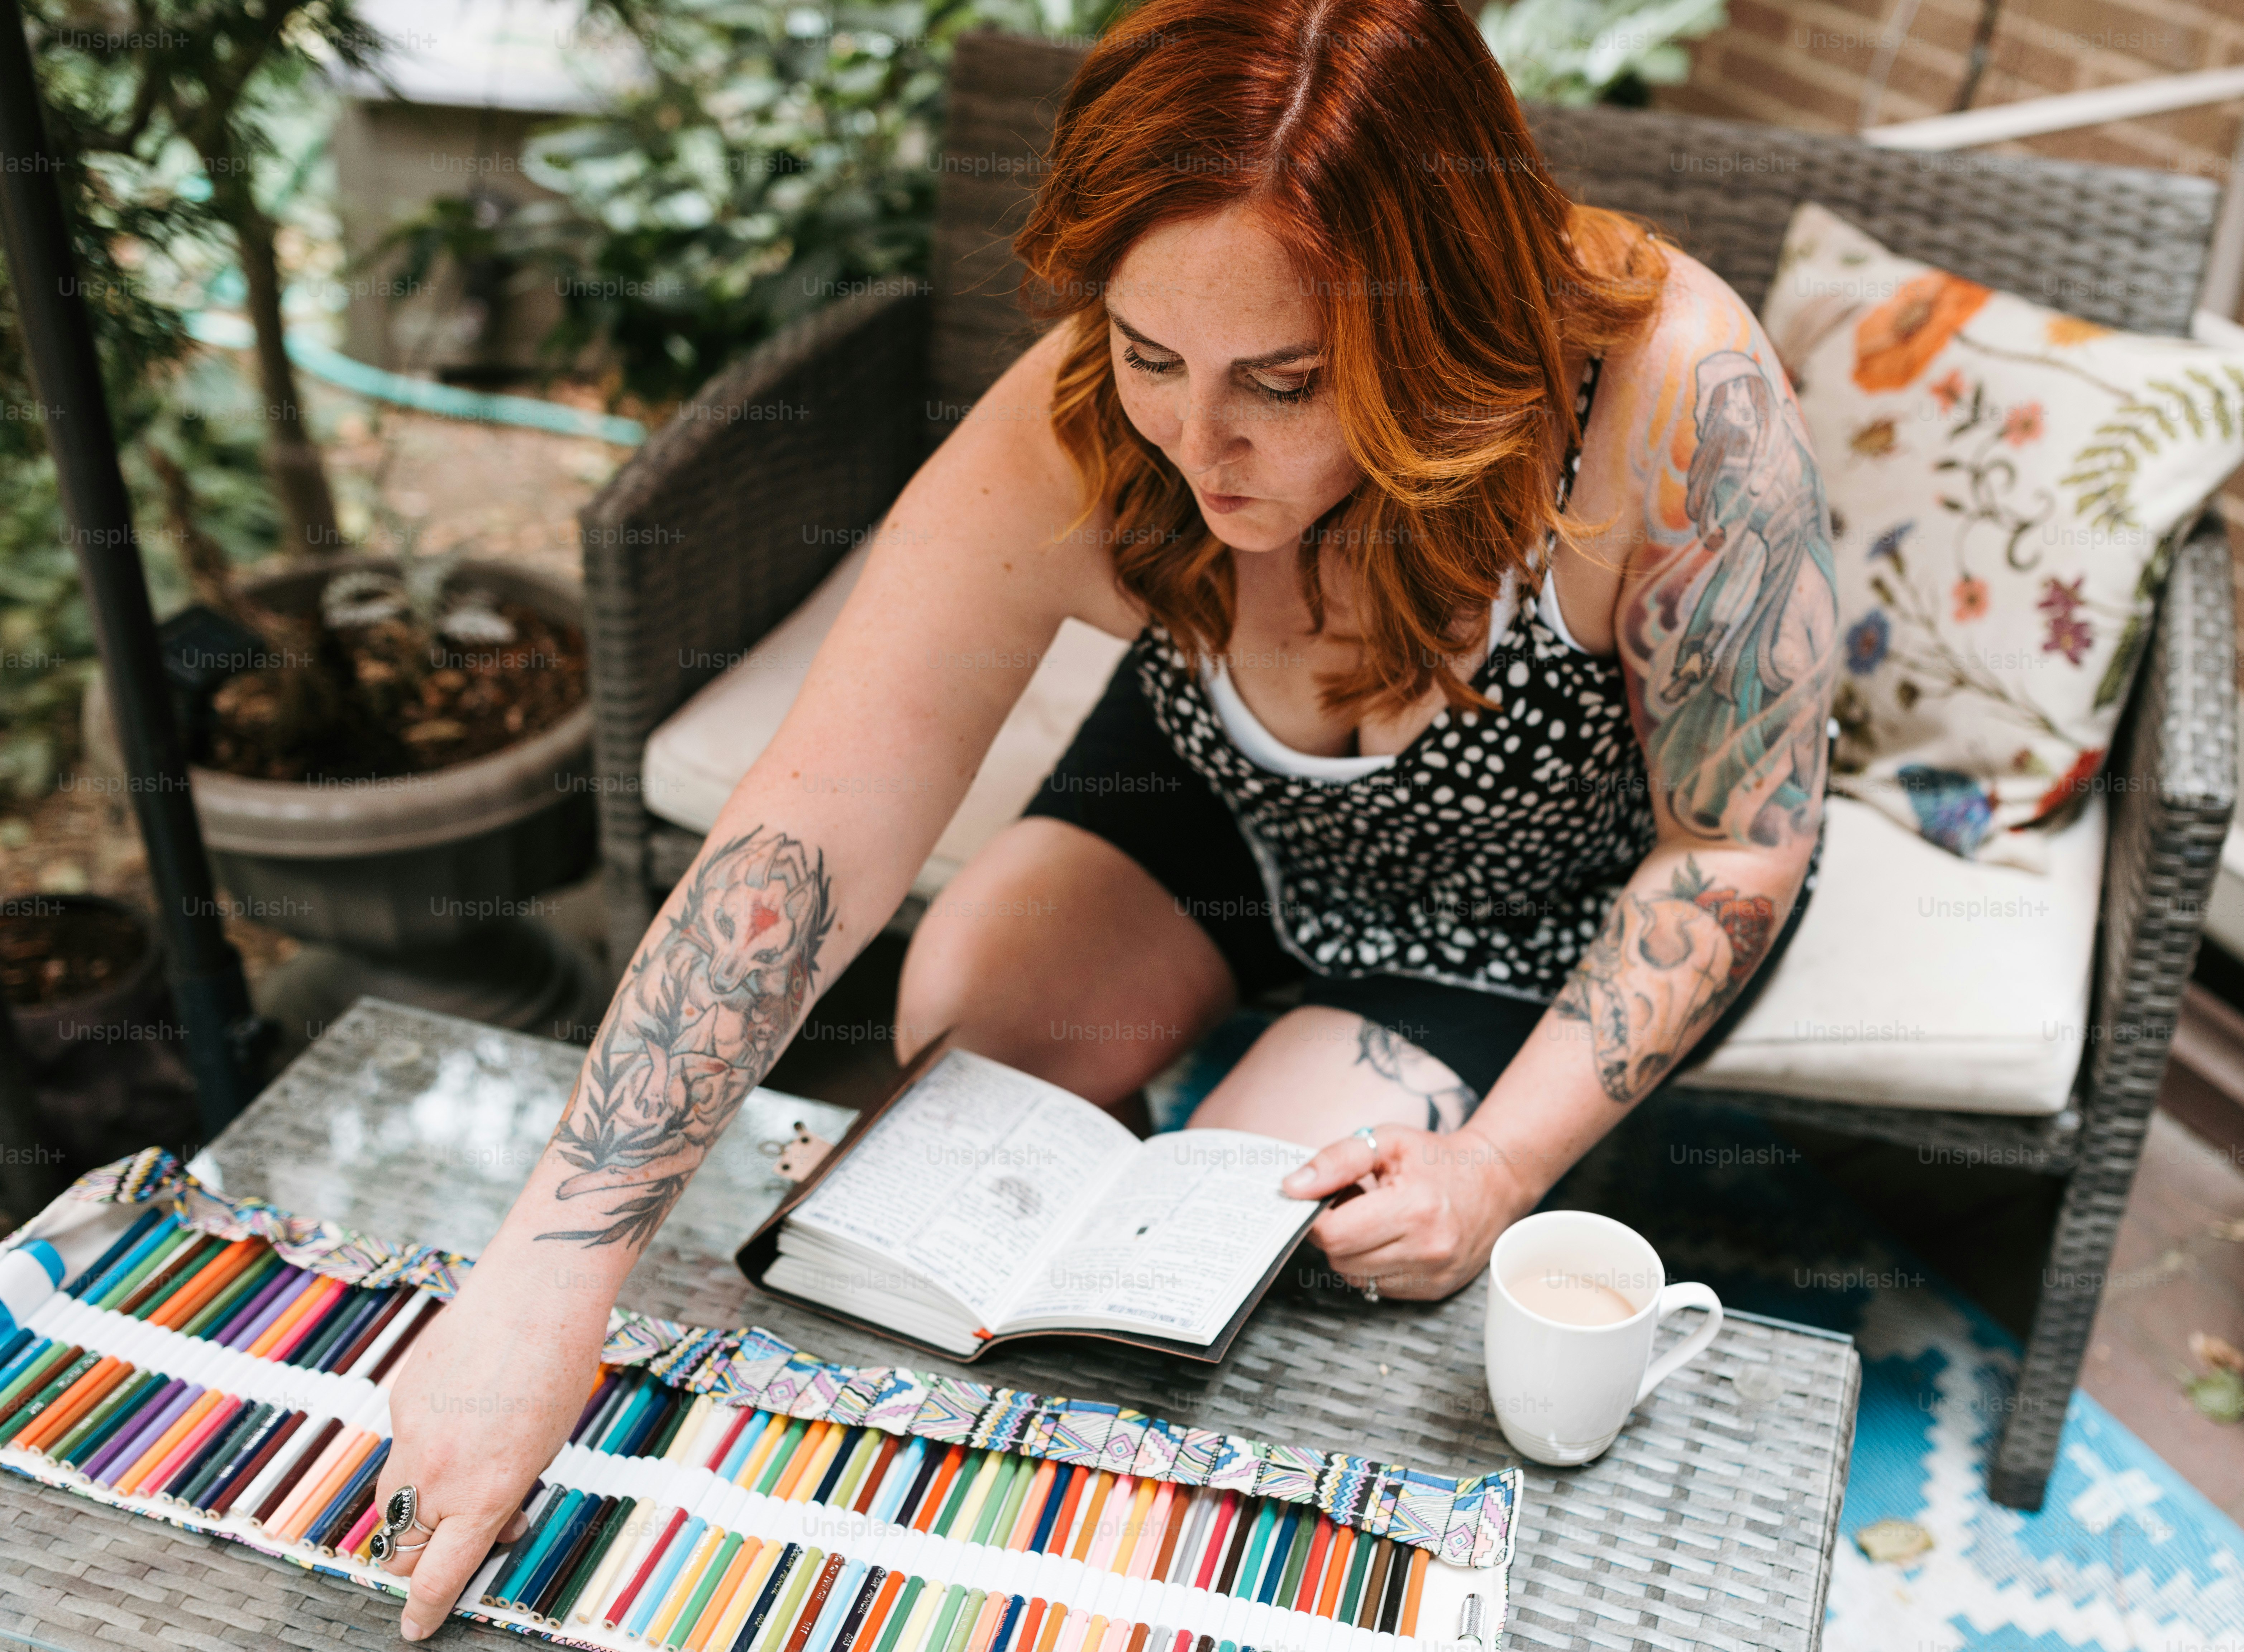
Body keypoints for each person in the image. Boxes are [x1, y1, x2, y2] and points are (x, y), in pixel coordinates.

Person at [372, 0, 1840, 1635]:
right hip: (1219, 795)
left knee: (1246, 1248)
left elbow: (1736, 848)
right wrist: (538, 1287)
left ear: (1443, 318)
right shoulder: (1091, 414)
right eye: (1152, 356)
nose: (1198, 447)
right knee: (959, 1028)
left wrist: (1490, 1171)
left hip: (1517, 902)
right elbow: (806, 831)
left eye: (1280, 384)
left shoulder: (1670, 398)